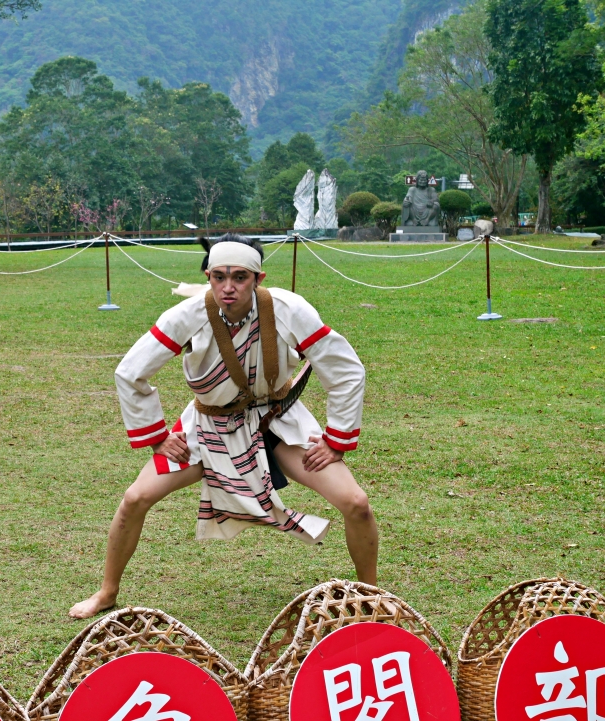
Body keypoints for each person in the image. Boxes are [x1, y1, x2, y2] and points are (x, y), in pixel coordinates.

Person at [69, 234, 377, 619]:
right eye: (218, 277)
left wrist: (336, 440)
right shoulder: (186, 315)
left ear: (258, 278)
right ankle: (106, 592)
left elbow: (345, 369)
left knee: (357, 504)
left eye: (240, 277)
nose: (228, 287)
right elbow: (131, 372)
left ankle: (371, 595)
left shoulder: (289, 308)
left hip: (276, 421)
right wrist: (159, 437)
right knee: (134, 499)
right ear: (208, 276)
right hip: (208, 426)